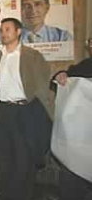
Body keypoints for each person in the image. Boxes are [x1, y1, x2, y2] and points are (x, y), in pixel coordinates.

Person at [0, 18, 51, 200]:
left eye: (7, 29)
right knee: (2, 158)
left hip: (24, 111)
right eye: (1, 30)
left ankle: (23, 196)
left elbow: (42, 86)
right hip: (2, 113)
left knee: (24, 160)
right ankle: (7, 195)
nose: (3, 33)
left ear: (18, 32)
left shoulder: (32, 56)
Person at [51, 37, 92, 200]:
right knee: (71, 180)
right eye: (90, 43)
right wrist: (60, 75)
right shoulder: (86, 65)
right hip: (80, 141)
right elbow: (64, 77)